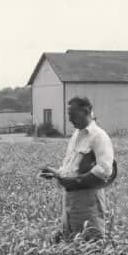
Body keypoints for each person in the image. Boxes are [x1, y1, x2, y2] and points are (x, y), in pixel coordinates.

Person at [39, 96, 115, 241]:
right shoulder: (76, 135)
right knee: (72, 240)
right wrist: (56, 173)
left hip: (87, 199)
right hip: (70, 198)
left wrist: (77, 181)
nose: (69, 118)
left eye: (72, 114)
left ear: (85, 111)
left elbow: (105, 169)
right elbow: (71, 167)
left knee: (91, 241)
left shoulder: (98, 136)